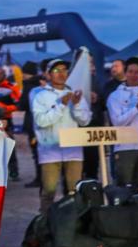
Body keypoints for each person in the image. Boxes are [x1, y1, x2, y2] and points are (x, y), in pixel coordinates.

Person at [31, 58, 92, 212]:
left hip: (73, 150)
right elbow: (41, 121)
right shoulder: (40, 96)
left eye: (64, 70)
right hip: (50, 151)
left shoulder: (74, 94)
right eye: (56, 70)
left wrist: (76, 105)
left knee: (74, 189)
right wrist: (61, 105)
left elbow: (85, 121)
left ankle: (74, 219)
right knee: (49, 190)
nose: (61, 74)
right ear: (48, 74)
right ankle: (45, 219)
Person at [107, 57, 138, 187]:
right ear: (125, 73)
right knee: (124, 186)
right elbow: (118, 122)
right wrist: (137, 107)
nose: (133, 75)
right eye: (130, 72)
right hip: (124, 147)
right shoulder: (115, 96)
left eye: (137, 72)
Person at [17, 61, 44, 188]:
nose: (22, 76)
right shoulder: (42, 83)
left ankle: (40, 178)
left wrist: (19, 103)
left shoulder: (28, 85)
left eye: (24, 73)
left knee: (36, 151)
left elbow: (24, 104)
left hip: (32, 122)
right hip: (42, 122)